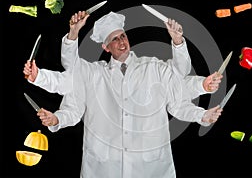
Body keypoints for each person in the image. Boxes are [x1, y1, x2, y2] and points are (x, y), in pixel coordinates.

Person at [23, 10, 223, 178]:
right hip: (104, 168)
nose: (121, 41)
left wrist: (178, 41)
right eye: (114, 39)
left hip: (151, 168)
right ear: (105, 47)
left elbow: (179, 85)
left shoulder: (154, 68)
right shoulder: (94, 74)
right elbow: (71, 86)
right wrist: (53, 113)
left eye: (123, 36)